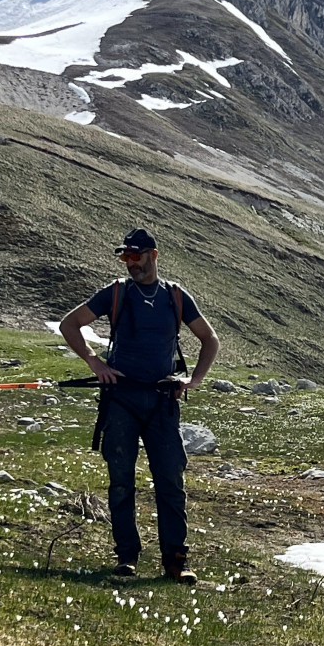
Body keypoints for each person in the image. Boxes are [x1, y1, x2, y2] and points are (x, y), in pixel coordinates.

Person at [59, 228, 220, 582]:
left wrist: (193, 380)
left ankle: (176, 561)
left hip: (163, 401)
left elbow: (209, 339)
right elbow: (69, 324)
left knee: (170, 481)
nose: (130, 262)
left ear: (154, 255)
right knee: (120, 480)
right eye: (125, 257)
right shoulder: (115, 293)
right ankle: (126, 556)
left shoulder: (175, 296)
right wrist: (94, 363)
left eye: (136, 255)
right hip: (121, 400)